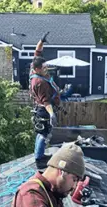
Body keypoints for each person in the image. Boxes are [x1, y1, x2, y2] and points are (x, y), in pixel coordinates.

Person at [29, 38, 61, 170]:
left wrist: (41, 42)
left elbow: (37, 53)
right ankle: (39, 158)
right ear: (37, 69)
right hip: (44, 110)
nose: (46, 68)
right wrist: (52, 114)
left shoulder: (34, 68)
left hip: (41, 109)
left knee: (41, 133)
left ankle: (39, 155)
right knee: (43, 133)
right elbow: (45, 101)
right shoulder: (39, 82)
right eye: (44, 67)